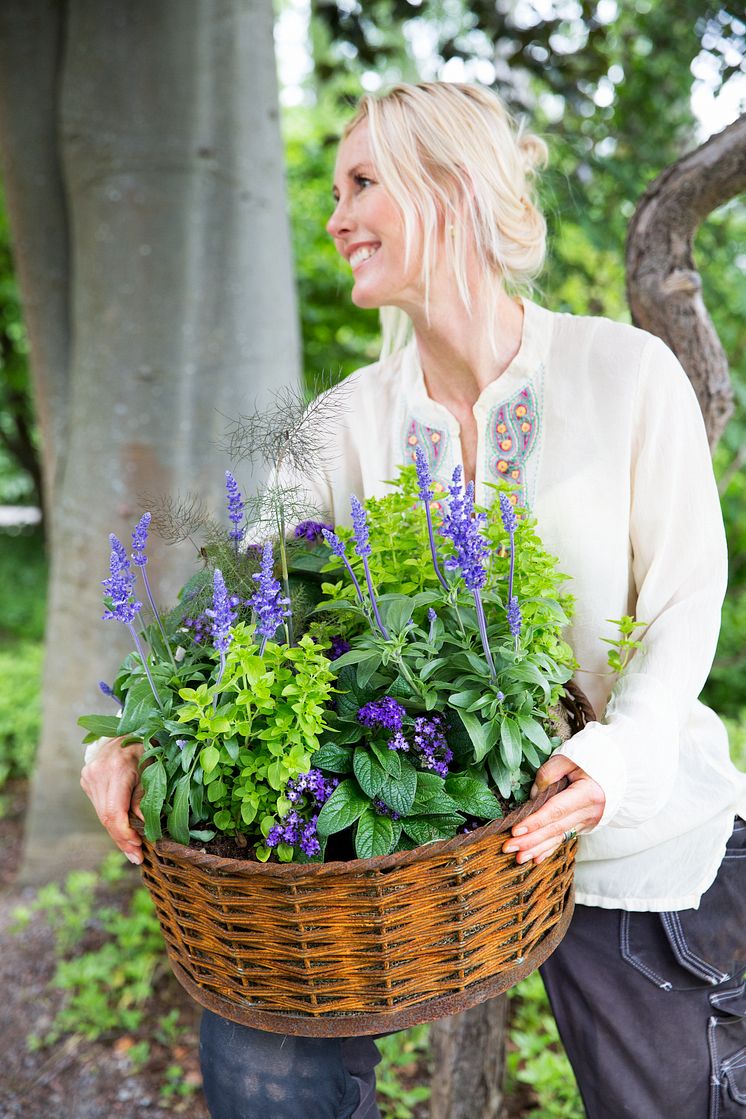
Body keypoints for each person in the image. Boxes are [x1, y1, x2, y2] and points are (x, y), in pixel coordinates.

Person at [81, 82, 746, 1119]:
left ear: (448, 186)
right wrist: (134, 733)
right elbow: (247, 610)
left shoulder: (621, 373)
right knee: (263, 1049)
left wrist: (617, 757)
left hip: (628, 834)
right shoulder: (345, 421)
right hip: (413, 849)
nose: (336, 216)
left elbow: (681, 602)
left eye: (361, 182)